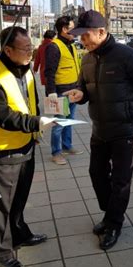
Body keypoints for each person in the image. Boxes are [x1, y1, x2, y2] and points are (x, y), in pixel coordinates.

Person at [64, 10, 133, 250]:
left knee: (121, 181)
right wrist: (78, 94)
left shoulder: (128, 56)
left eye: (85, 36)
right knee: (97, 173)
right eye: (79, 37)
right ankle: (109, 212)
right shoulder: (87, 59)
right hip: (99, 127)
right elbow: (83, 88)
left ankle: (114, 222)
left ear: (102, 32)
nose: (82, 41)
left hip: (124, 129)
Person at [0, 26, 54, 267]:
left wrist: (36, 129)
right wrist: (33, 123)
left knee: (20, 198)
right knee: (1, 207)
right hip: (3, 151)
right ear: (7, 50)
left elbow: (31, 101)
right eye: (25, 48)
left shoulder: (25, 68)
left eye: (31, 47)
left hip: (26, 145)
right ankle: (2, 252)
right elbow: (1, 114)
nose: (31, 52)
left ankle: (19, 234)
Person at [44, 16, 83, 165]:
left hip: (73, 90)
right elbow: (49, 72)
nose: (75, 32)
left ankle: (67, 146)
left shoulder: (71, 45)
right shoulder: (54, 47)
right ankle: (56, 152)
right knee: (59, 123)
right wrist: (51, 92)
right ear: (64, 29)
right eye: (72, 28)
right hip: (60, 91)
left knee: (69, 121)